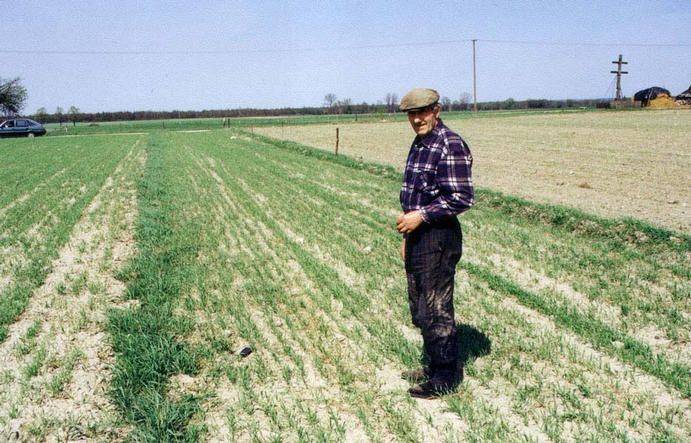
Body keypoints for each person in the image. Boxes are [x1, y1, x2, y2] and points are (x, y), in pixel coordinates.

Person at [396, 88, 474, 399]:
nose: (417, 119)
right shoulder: (421, 143)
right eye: (412, 114)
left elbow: (462, 197)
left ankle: (445, 376)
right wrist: (408, 236)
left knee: (435, 307)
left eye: (423, 112)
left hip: (439, 236)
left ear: (437, 110)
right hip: (419, 234)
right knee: (419, 305)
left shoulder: (449, 143)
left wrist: (420, 218)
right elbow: (416, 195)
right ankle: (433, 364)